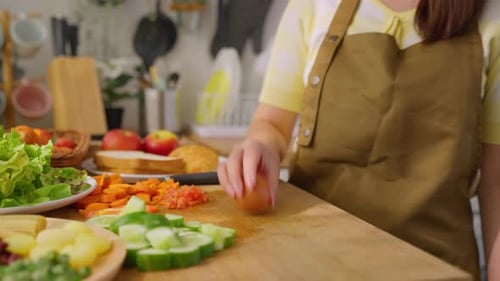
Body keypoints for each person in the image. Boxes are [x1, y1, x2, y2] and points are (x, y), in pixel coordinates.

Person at [216, 0, 500, 280]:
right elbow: (272, 126)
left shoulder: (492, 18)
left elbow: (496, 180)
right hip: (311, 262)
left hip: (438, 269)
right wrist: (261, 148)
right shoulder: (314, 6)